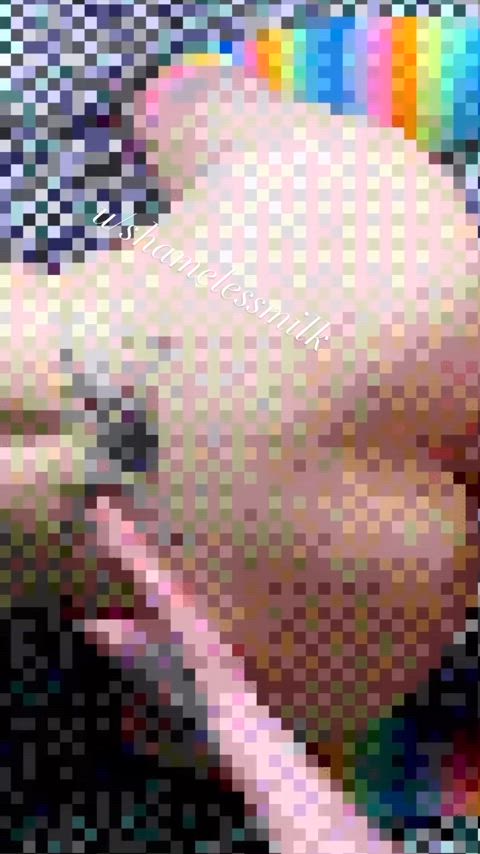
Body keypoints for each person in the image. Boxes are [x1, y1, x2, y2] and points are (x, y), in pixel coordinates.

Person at [2, 64, 479, 851]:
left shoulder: (388, 215)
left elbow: (175, 99)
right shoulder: (361, 659)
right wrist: (236, 716)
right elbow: (159, 731)